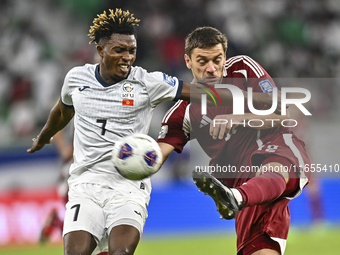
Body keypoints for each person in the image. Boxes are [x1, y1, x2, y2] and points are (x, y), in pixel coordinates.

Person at [27, 9, 277, 254]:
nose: (127, 57)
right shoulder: (76, 78)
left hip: (128, 187)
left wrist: (247, 99)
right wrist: (44, 136)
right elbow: (62, 112)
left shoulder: (148, 82)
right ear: (101, 51)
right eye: (119, 50)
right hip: (85, 185)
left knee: (121, 251)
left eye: (132, 50)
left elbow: (202, 93)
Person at [157, 26, 311, 255]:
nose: (211, 69)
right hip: (245, 184)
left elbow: (282, 113)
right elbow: (157, 153)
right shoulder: (184, 110)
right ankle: (237, 196)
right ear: (188, 61)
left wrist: (239, 118)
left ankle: (235, 197)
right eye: (202, 61)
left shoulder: (242, 69)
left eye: (217, 60)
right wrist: (136, 157)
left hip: (276, 147)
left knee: (276, 166)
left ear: (224, 58)